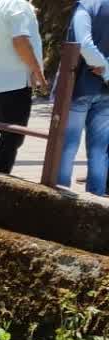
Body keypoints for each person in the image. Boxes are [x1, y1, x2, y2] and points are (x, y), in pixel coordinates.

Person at [0, 0, 46, 174]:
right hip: (13, 81)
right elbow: (20, 40)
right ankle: (0, 179)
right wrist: (38, 72)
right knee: (12, 137)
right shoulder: (18, 5)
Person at [57, 0, 109, 196]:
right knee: (99, 149)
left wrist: (105, 71)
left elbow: (84, 45)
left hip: (79, 85)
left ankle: (59, 195)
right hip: (106, 92)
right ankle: (96, 199)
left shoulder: (86, 6)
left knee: (66, 144)